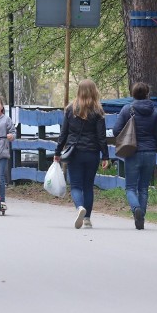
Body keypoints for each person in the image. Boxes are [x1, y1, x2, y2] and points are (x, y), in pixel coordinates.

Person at [54, 79, 109, 229]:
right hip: (92, 153)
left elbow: (63, 133)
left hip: (74, 152)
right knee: (88, 186)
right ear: (94, 91)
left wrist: (57, 152)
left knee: (76, 186)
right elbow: (101, 136)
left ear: (79, 91)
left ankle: (80, 207)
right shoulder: (98, 111)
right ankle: (87, 219)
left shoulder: (70, 109)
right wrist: (105, 156)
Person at [112, 82, 157, 230]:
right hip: (149, 152)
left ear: (133, 93)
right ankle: (141, 217)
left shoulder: (126, 109)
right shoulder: (154, 111)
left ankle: (136, 209)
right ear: (147, 93)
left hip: (132, 152)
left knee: (130, 187)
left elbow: (116, 131)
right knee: (143, 188)